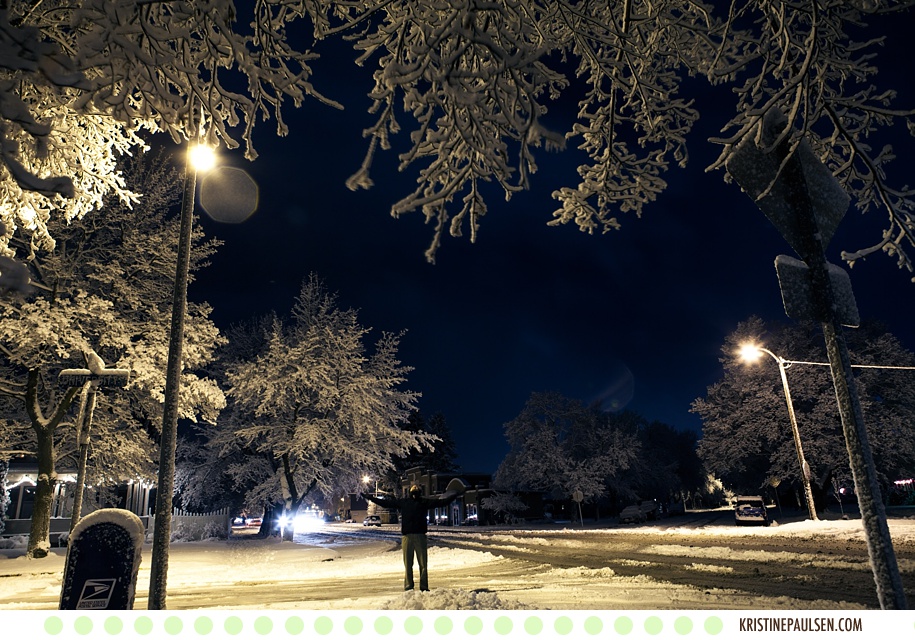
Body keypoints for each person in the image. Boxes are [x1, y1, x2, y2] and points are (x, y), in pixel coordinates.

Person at [363, 484, 465, 591]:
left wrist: (370, 497)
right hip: (413, 536)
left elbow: (441, 502)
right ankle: (413, 586)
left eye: (416, 489)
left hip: (414, 536)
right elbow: (386, 503)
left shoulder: (417, 502)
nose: (415, 490)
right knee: (413, 564)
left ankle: (418, 587)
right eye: (414, 488)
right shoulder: (413, 502)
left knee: (418, 564)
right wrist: (371, 498)